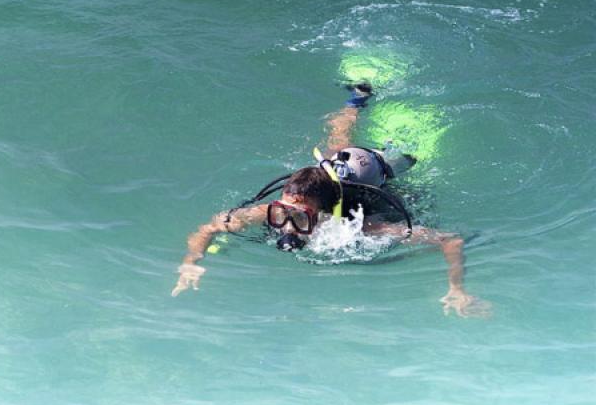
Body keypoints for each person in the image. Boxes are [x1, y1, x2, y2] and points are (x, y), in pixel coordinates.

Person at [171, 85, 491, 318]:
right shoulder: (268, 212)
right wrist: (190, 263)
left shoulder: (363, 226)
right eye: (282, 213)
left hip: (367, 175)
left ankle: (399, 152)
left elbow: (450, 240)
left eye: (300, 218)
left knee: (400, 164)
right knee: (335, 146)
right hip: (333, 172)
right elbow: (208, 227)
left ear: (323, 215)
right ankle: (357, 98)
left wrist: (457, 288)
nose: (286, 226)